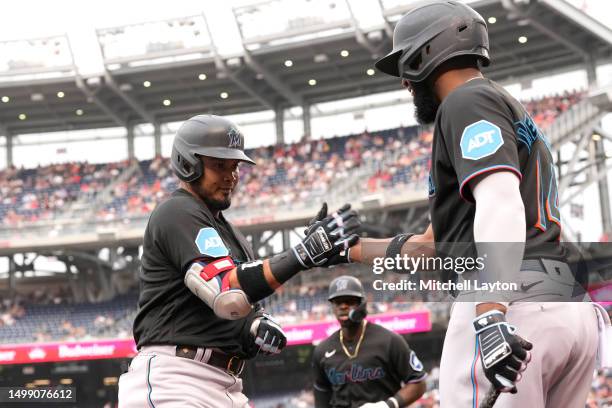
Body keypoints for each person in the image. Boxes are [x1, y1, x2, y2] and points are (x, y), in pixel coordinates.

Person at [343, 1, 609, 407]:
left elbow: (500, 201)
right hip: (566, 308)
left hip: (511, 304)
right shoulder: (500, 105)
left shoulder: (465, 101)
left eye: (404, 67)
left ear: (424, 57)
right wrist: (348, 249)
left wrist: (489, 314)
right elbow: (431, 249)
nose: (405, 83)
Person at [118, 114, 360, 408]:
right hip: (176, 379)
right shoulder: (176, 211)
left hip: (225, 385)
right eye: (219, 165)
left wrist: (254, 328)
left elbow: (235, 312)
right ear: (188, 163)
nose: (231, 175)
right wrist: (300, 255)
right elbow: (227, 294)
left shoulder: (231, 235)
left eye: (234, 166)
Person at [312, 275, 426, 408]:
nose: (343, 306)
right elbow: (322, 394)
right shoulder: (322, 350)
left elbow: (418, 383)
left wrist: (388, 405)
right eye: (337, 302)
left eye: (349, 301)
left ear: (362, 304)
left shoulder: (389, 341)